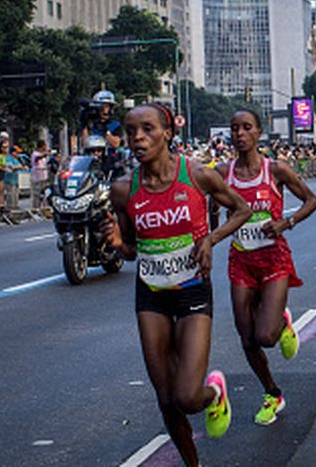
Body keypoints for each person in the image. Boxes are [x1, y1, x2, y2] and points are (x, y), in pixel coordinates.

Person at [100, 103, 252, 467]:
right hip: (151, 295)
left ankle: (214, 393)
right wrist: (119, 243)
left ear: (167, 134)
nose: (138, 138)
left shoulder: (197, 175)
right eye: (131, 132)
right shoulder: (123, 189)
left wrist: (210, 239)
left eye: (147, 129)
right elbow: (132, 250)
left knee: (187, 396)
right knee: (167, 400)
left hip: (192, 291)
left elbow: (242, 209)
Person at [211, 109, 316, 426]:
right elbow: (210, 208)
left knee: (266, 337)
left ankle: (282, 322)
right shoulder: (222, 173)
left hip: (273, 260)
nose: (239, 134)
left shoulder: (276, 170)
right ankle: (272, 393)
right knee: (247, 339)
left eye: (247, 127)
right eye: (234, 128)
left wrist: (287, 222)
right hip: (241, 262)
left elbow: (312, 200)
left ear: (259, 132)